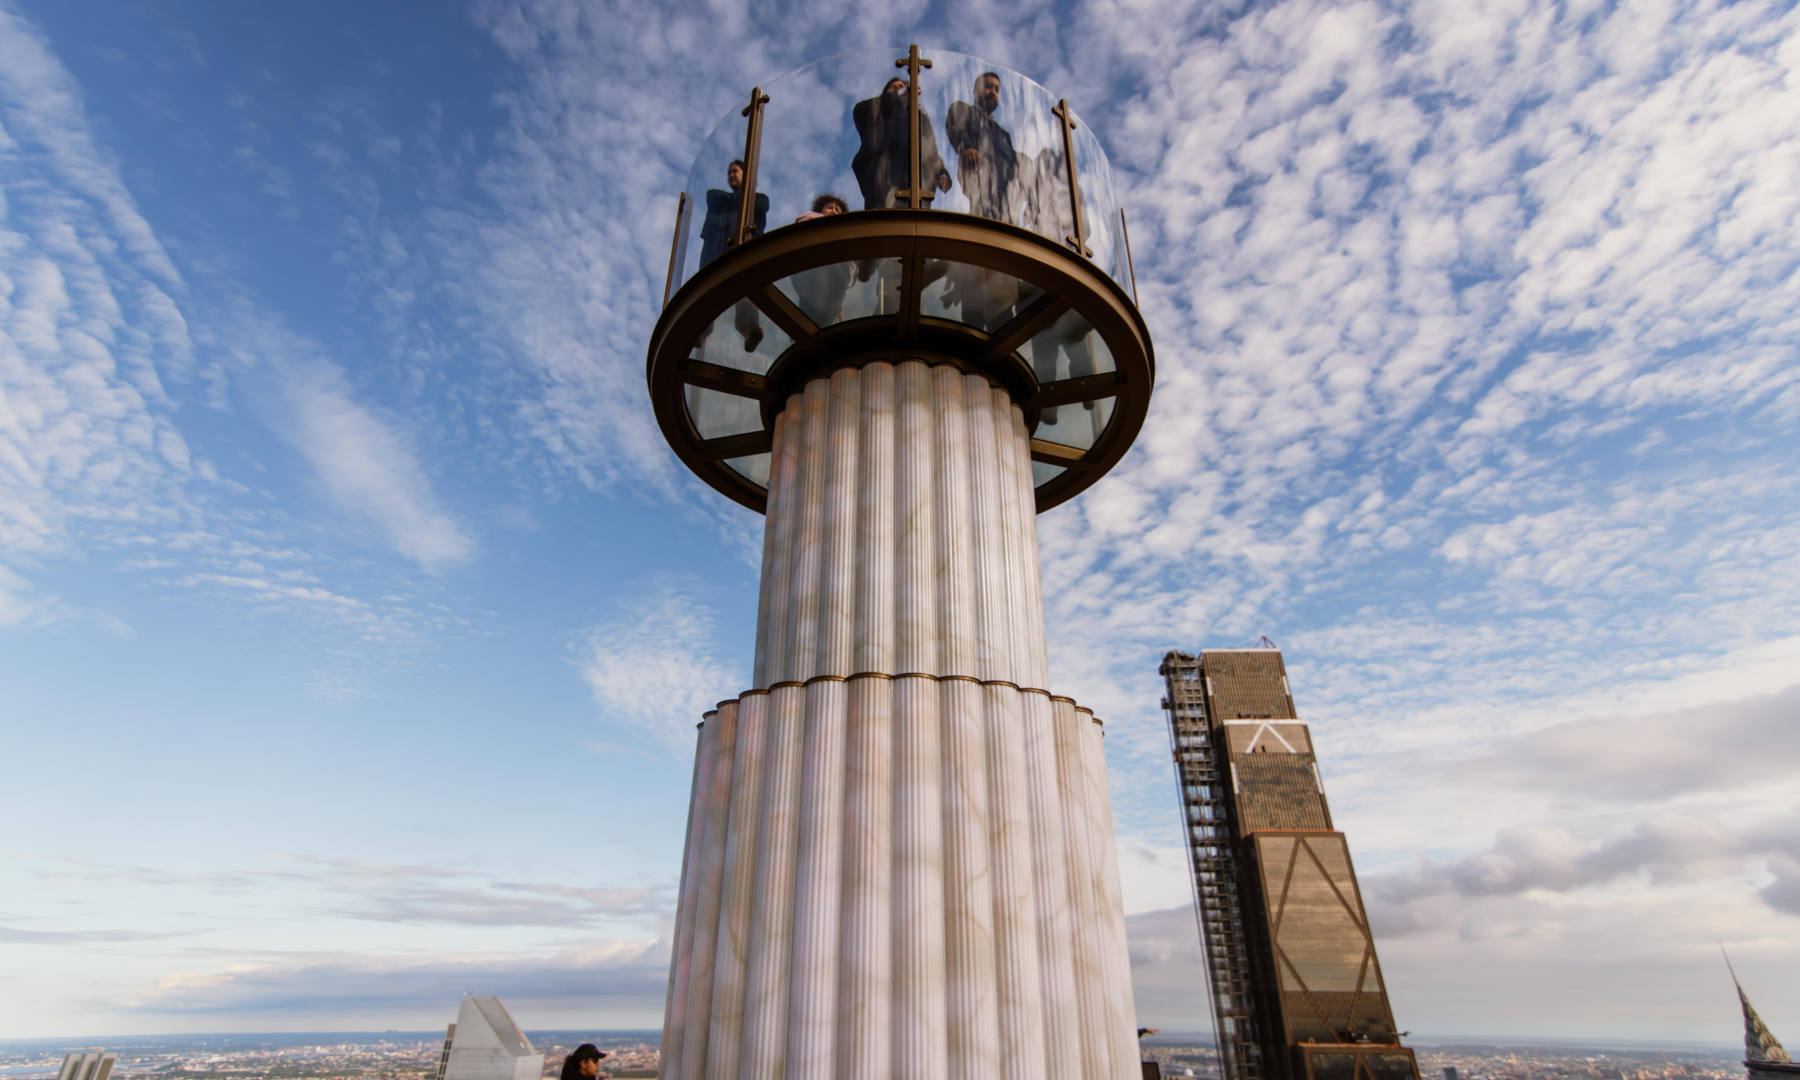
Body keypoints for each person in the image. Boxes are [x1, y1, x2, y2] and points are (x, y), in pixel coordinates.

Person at [697, 159, 769, 351]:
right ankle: (701, 329)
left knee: (745, 297)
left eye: (735, 171)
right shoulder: (719, 199)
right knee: (709, 297)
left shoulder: (758, 200)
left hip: (742, 254)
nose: (730, 175)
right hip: (716, 255)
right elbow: (711, 197)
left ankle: (750, 330)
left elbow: (758, 209)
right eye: (728, 172)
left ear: (748, 176)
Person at [851, 78, 951, 210]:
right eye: (895, 87)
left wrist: (942, 173)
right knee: (884, 217)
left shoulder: (921, 119)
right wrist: (899, 96)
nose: (900, 89)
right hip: (883, 169)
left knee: (917, 217)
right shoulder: (875, 111)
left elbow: (931, 150)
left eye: (902, 86)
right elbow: (859, 112)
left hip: (918, 176)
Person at [945, 72, 1018, 222]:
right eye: (988, 87)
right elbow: (956, 125)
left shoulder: (1004, 134)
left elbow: (1015, 163)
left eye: (997, 89)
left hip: (1005, 196)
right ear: (975, 91)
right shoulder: (965, 110)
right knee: (980, 220)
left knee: (1007, 231)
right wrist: (966, 147)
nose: (993, 92)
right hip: (978, 178)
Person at [789, 195, 857, 324]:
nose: (834, 211)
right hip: (817, 265)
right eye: (830, 208)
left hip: (839, 277)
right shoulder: (811, 219)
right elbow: (803, 221)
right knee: (813, 305)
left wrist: (839, 310)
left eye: (837, 210)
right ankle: (801, 332)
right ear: (821, 210)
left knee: (828, 316)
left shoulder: (844, 235)